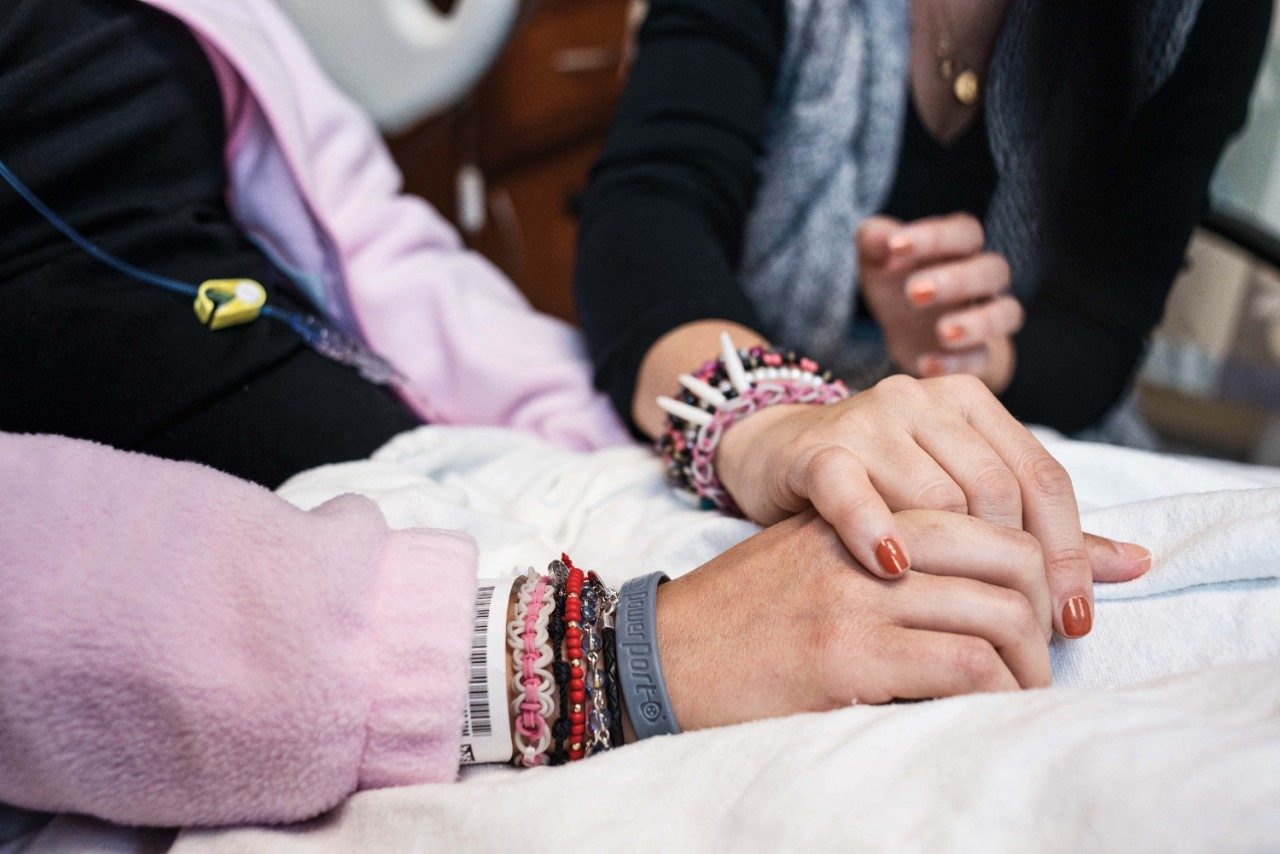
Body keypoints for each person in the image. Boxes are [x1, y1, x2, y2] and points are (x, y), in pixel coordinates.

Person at [0, 0, 1149, 832]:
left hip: (516, 485)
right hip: (307, 638)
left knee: (1164, 608)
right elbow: (647, 206)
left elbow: (394, 259)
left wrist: (701, 438)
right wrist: (606, 649)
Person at [573, 0, 1268, 629]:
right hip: (733, 413)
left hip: (1050, 432)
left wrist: (974, 354)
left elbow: (1104, 331)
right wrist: (767, 418)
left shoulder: (1195, 17)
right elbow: (647, 216)